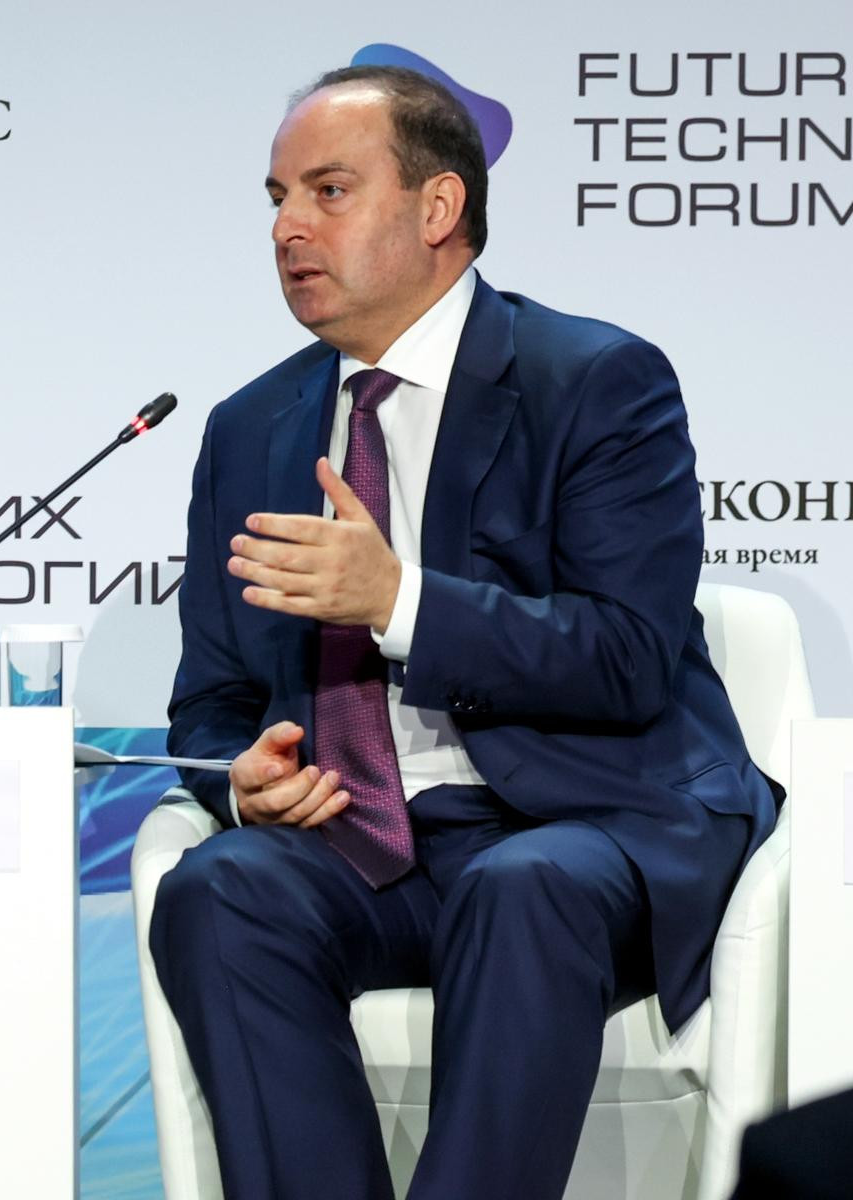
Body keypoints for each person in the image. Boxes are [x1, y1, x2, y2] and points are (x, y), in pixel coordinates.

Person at [150, 65, 777, 1200]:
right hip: (363, 843)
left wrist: (398, 602)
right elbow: (211, 699)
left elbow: (628, 659)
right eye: (278, 198)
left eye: (329, 190)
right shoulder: (249, 427)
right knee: (220, 889)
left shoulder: (594, 381)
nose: (288, 227)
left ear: (438, 207)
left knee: (520, 887)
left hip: (581, 821)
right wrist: (244, 781)